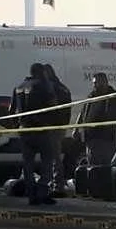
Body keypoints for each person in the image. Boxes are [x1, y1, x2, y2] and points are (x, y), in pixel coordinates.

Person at [12, 63, 57, 205]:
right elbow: (53, 106)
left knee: (28, 164)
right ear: (41, 72)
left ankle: (31, 194)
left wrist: (17, 125)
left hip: (24, 129)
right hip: (41, 129)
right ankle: (42, 192)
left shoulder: (19, 87)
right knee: (47, 161)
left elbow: (12, 110)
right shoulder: (44, 86)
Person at [78, 72, 116, 166]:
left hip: (108, 140)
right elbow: (83, 112)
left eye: (97, 83)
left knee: (107, 166)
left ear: (105, 82)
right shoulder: (91, 96)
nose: (95, 85)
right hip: (92, 140)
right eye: (94, 83)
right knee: (93, 167)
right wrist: (76, 128)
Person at [42, 64, 73, 196]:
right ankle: (56, 185)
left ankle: (56, 186)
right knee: (55, 157)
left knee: (52, 158)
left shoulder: (49, 88)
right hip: (60, 126)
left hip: (51, 126)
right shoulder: (63, 88)